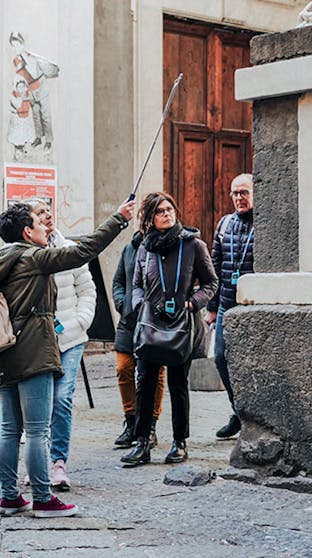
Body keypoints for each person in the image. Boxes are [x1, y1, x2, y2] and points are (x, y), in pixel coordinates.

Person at [0, 197, 135, 518]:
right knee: (39, 430)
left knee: (10, 429)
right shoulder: (35, 258)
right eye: (39, 224)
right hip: (33, 352)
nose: (45, 227)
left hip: (2, 352)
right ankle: (42, 498)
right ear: (27, 232)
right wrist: (119, 219)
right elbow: (84, 250)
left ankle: (9, 497)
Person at [121, 192, 218, 467]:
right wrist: (141, 306)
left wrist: (192, 303)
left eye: (170, 209)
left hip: (180, 325)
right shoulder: (145, 248)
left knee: (178, 385)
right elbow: (137, 283)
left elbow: (212, 283)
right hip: (151, 324)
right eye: (160, 211)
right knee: (145, 384)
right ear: (150, 218)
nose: (167, 214)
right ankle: (142, 442)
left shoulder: (193, 245)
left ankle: (180, 442)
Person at [27, 199, 97, 492]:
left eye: (48, 212)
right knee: (39, 403)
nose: (47, 217)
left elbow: (87, 289)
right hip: (38, 341)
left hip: (70, 337)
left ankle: (58, 463)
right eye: (40, 214)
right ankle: (38, 464)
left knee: (62, 399)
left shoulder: (70, 249)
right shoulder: (27, 254)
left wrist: (81, 321)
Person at [208, 173, 254, 440]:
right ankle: (239, 410)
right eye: (235, 193)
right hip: (227, 303)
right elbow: (214, 268)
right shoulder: (225, 224)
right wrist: (212, 308)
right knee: (221, 358)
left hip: (251, 306)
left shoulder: (263, 224)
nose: (239, 198)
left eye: (244, 192)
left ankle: (251, 415)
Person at [111, 228, 163, 449]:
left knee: (154, 373)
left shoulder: (165, 247)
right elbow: (118, 282)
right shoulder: (130, 248)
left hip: (155, 320)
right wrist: (123, 303)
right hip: (130, 319)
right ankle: (130, 420)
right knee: (123, 368)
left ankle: (150, 425)